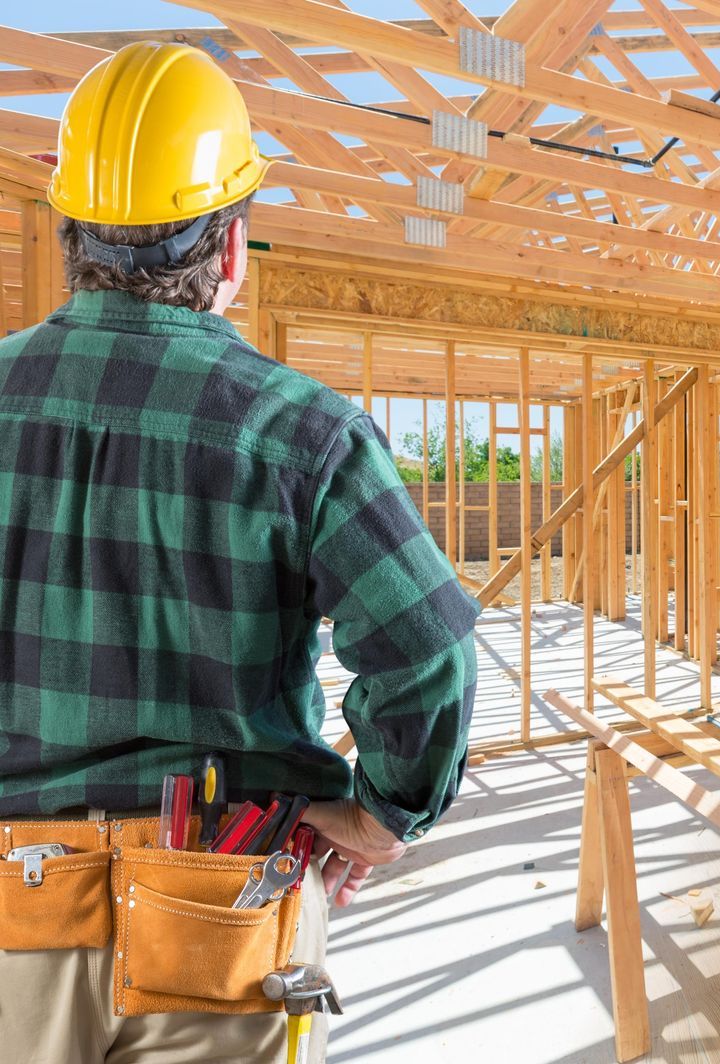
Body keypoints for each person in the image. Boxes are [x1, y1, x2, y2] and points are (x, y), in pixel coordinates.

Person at [0, 42, 477, 1063]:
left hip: (11, 906)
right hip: (223, 897)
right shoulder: (306, 432)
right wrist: (385, 810)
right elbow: (427, 648)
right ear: (229, 249)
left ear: (72, 229)